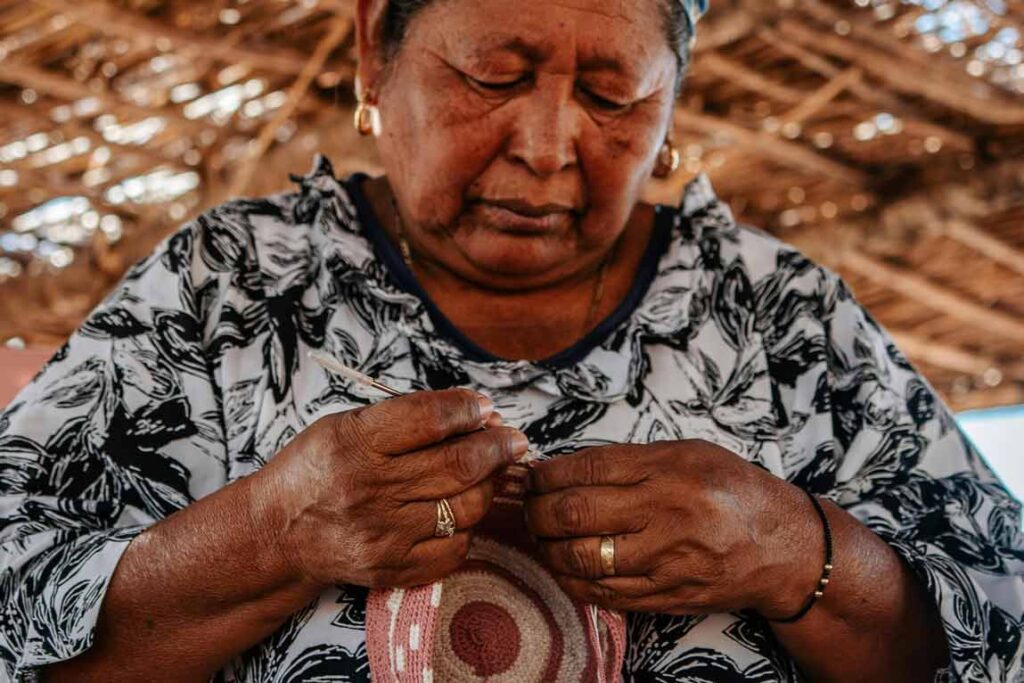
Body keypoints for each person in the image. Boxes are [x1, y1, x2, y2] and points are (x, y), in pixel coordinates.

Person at [2, 0, 1022, 680]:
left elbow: (1002, 614)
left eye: (613, 90)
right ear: (374, 51)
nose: (545, 145)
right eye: (494, 75)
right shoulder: (226, 283)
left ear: (672, 93)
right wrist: (271, 532)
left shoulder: (777, 313)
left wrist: (798, 550)